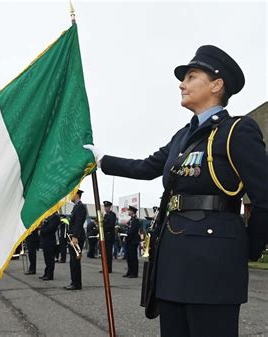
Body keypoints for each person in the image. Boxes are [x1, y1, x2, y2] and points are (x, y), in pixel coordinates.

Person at [84, 45, 268, 337]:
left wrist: (247, 248)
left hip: (214, 260)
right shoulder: (182, 136)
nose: (182, 84)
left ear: (217, 85)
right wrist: (101, 160)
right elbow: (146, 167)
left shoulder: (236, 131)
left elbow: (264, 197)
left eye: (192, 76)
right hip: (173, 259)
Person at [64, 189, 87, 290]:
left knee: (75, 261)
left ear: (77, 195)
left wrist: (75, 237)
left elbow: (78, 222)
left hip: (76, 238)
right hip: (73, 237)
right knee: (73, 261)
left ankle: (76, 284)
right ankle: (74, 282)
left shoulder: (80, 207)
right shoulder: (76, 207)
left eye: (72, 194)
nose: (70, 196)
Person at [39, 212, 60, 280]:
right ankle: (46, 273)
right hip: (45, 240)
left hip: (50, 240)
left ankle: (50, 275)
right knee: (46, 258)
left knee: (50, 258)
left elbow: (51, 228)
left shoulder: (55, 217)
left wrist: (42, 231)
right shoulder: (49, 216)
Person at [123, 205, 140, 278]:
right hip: (129, 241)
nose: (128, 212)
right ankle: (129, 271)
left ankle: (134, 273)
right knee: (129, 257)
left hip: (133, 241)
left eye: (129, 211)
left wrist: (126, 236)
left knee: (133, 257)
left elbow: (132, 231)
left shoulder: (135, 220)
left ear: (132, 212)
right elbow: (128, 229)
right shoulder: (131, 220)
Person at [102, 200, 117, 273]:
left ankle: (108, 268)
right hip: (105, 236)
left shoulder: (112, 215)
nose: (105, 208)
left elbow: (111, 225)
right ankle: (105, 268)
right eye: (105, 207)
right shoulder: (105, 215)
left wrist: (103, 227)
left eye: (107, 207)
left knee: (108, 253)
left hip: (109, 236)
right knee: (104, 253)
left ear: (109, 207)